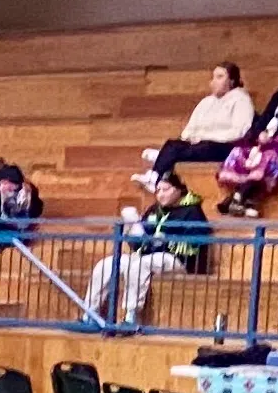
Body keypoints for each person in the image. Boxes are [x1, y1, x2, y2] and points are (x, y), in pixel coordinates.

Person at [87, 170, 207, 325]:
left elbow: (196, 242)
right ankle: (90, 314)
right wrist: (133, 235)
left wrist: (164, 242)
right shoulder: (154, 210)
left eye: (166, 190)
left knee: (141, 264)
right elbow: (140, 243)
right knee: (107, 264)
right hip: (148, 255)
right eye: (158, 191)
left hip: (178, 260)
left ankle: (131, 316)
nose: (161, 195)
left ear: (179, 190)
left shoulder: (192, 211)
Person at [143, 61, 255, 180]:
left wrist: (205, 136)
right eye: (213, 77)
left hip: (224, 147)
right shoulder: (206, 102)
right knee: (172, 145)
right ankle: (156, 171)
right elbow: (190, 128)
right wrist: (189, 138)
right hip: (199, 143)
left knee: (191, 149)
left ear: (232, 81)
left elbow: (239, 131)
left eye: (220, 77)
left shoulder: (241, 100)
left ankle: (162, 160)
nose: (214, 82)